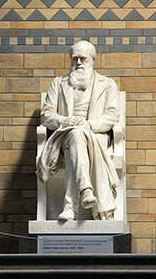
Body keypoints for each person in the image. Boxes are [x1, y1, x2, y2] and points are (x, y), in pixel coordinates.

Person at [36, 40, 121, 221]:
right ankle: (86, 190)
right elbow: (46, 115)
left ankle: (70, 206)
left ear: (93, 59)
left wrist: (89, 125)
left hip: (95, 136)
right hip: (64, 135)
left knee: (78, 136)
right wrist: (66, 120)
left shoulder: (107, 85)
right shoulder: (58, 84)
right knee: (75, 134)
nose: (79, 63)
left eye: (83, 59)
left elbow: (112, 115)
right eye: (75, 59)